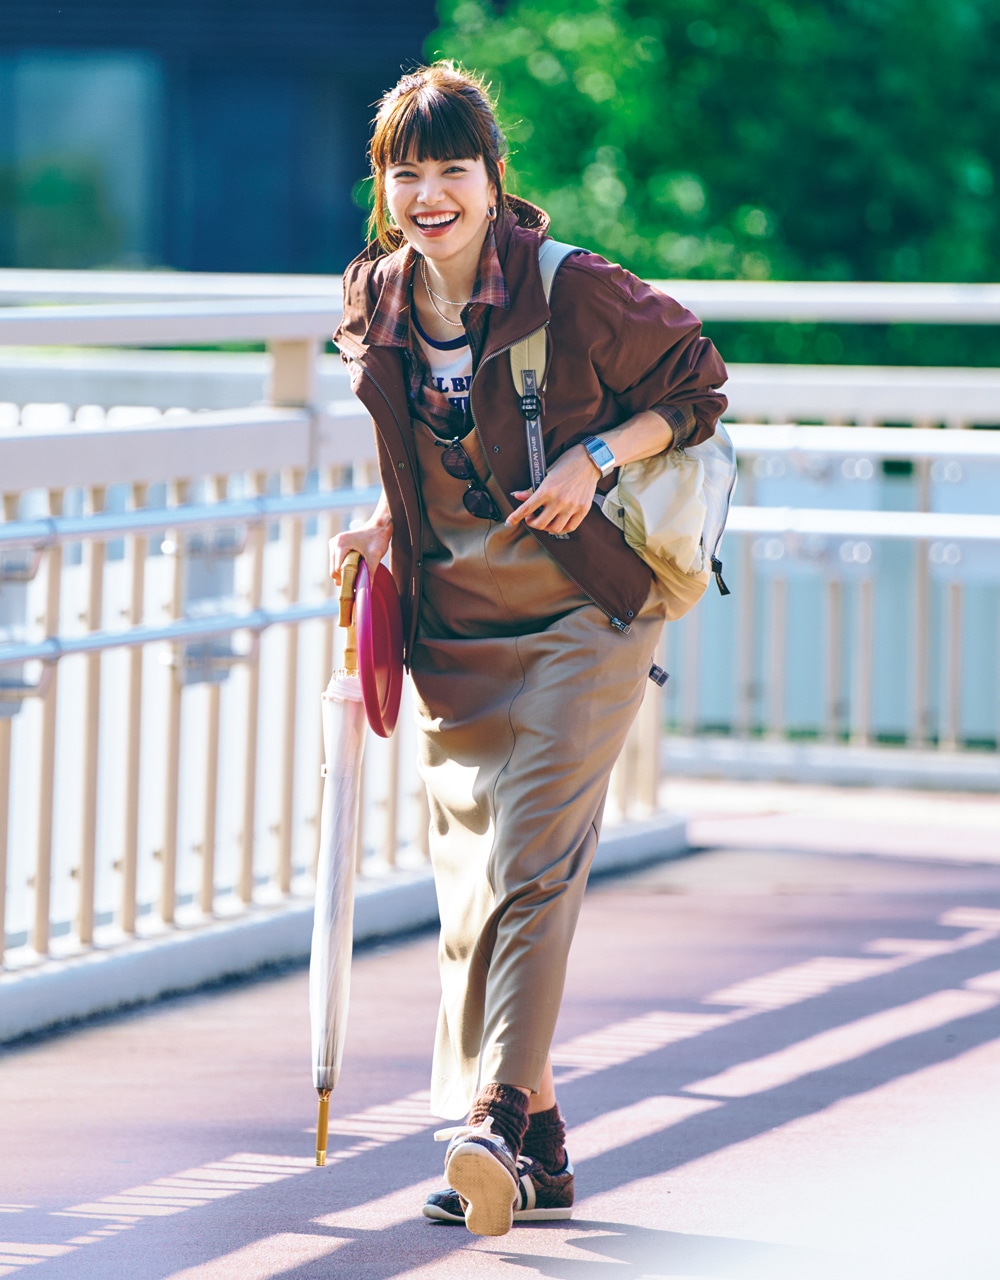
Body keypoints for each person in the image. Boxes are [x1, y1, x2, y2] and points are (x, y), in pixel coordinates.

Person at [330, 62, 727, 1237]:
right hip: (452, 619)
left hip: (581, 611)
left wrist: (595, 456)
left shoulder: (574, 288)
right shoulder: (381, 299)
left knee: (530, 864)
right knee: (470, 894)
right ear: (384, 185)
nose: (429, 193)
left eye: (453, 169)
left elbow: (697, 385)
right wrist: (380, 520)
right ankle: (542, 1143)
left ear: (496, 181)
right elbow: (419, 457)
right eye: (408, 171)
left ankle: (492, 1115)